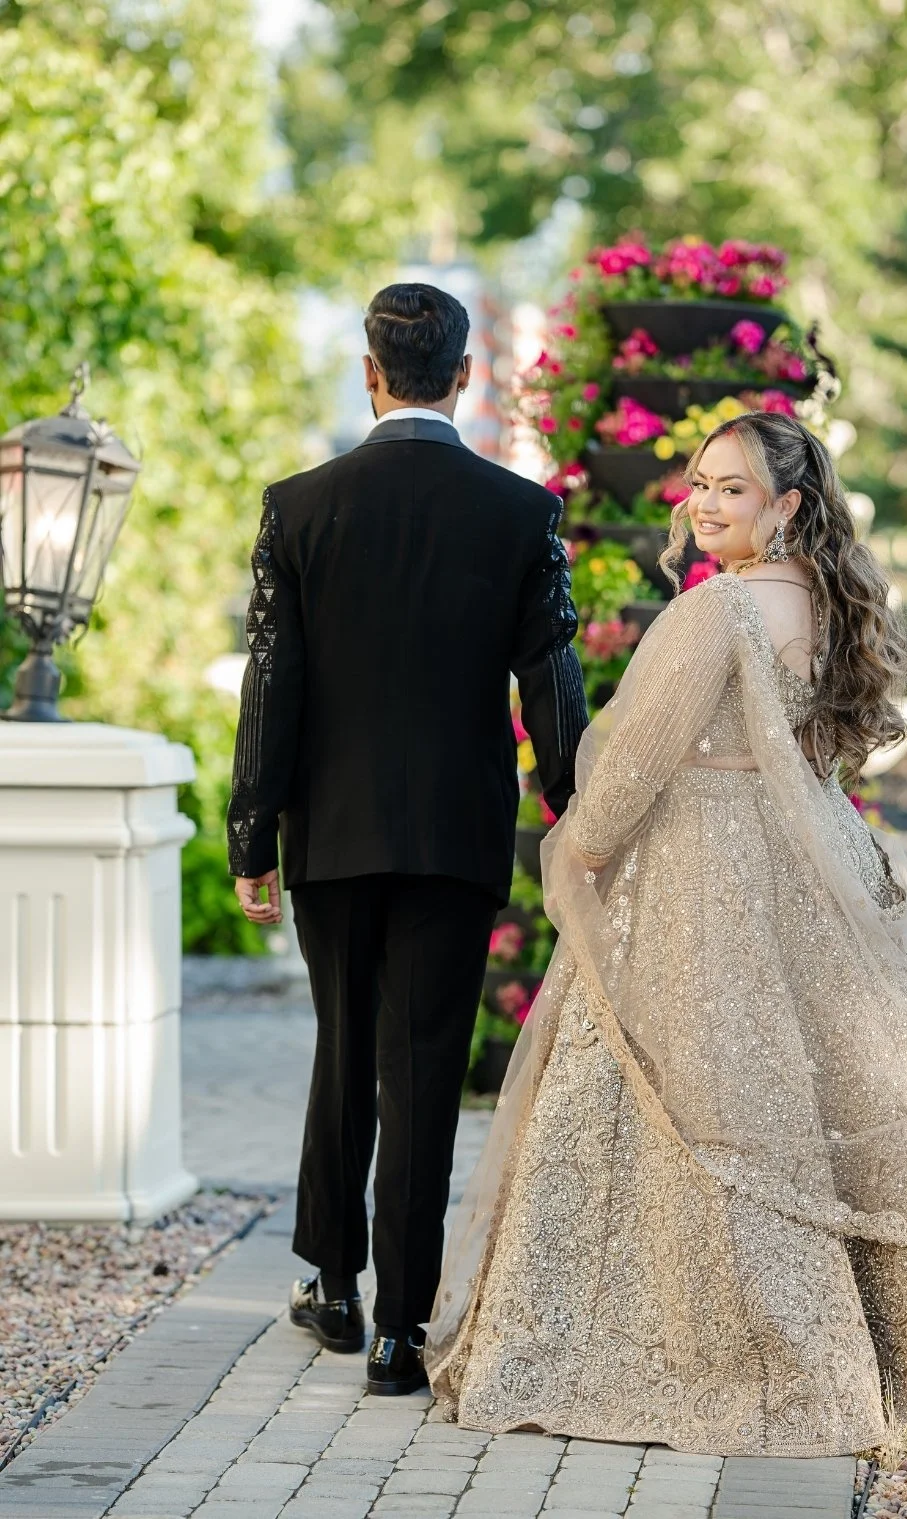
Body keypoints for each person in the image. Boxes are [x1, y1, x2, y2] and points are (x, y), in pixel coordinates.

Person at [427, 410, 907, 1456]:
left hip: (705, 874)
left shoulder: (717, 614)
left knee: (700, 1092)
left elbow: (626, 775)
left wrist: (576, 851)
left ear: (788, 505)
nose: (703, 504)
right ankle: (894, 1353)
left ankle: (730, 1347)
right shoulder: (830, 606)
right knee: (800, 1093)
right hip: (805, 865)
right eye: (699, 483)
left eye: (732, 489)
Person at [227, 283, 588, 1396]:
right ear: (466, 376)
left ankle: (331, 1284)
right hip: (452, 829)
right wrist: (574, 805)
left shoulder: (300, 505)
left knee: (344, 1048)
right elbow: (551, 678)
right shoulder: (519, 512)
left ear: (369, 372)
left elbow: (271, 685)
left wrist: (253, 831)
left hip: (329, 830)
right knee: (424, 1073)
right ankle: (399, 1333)